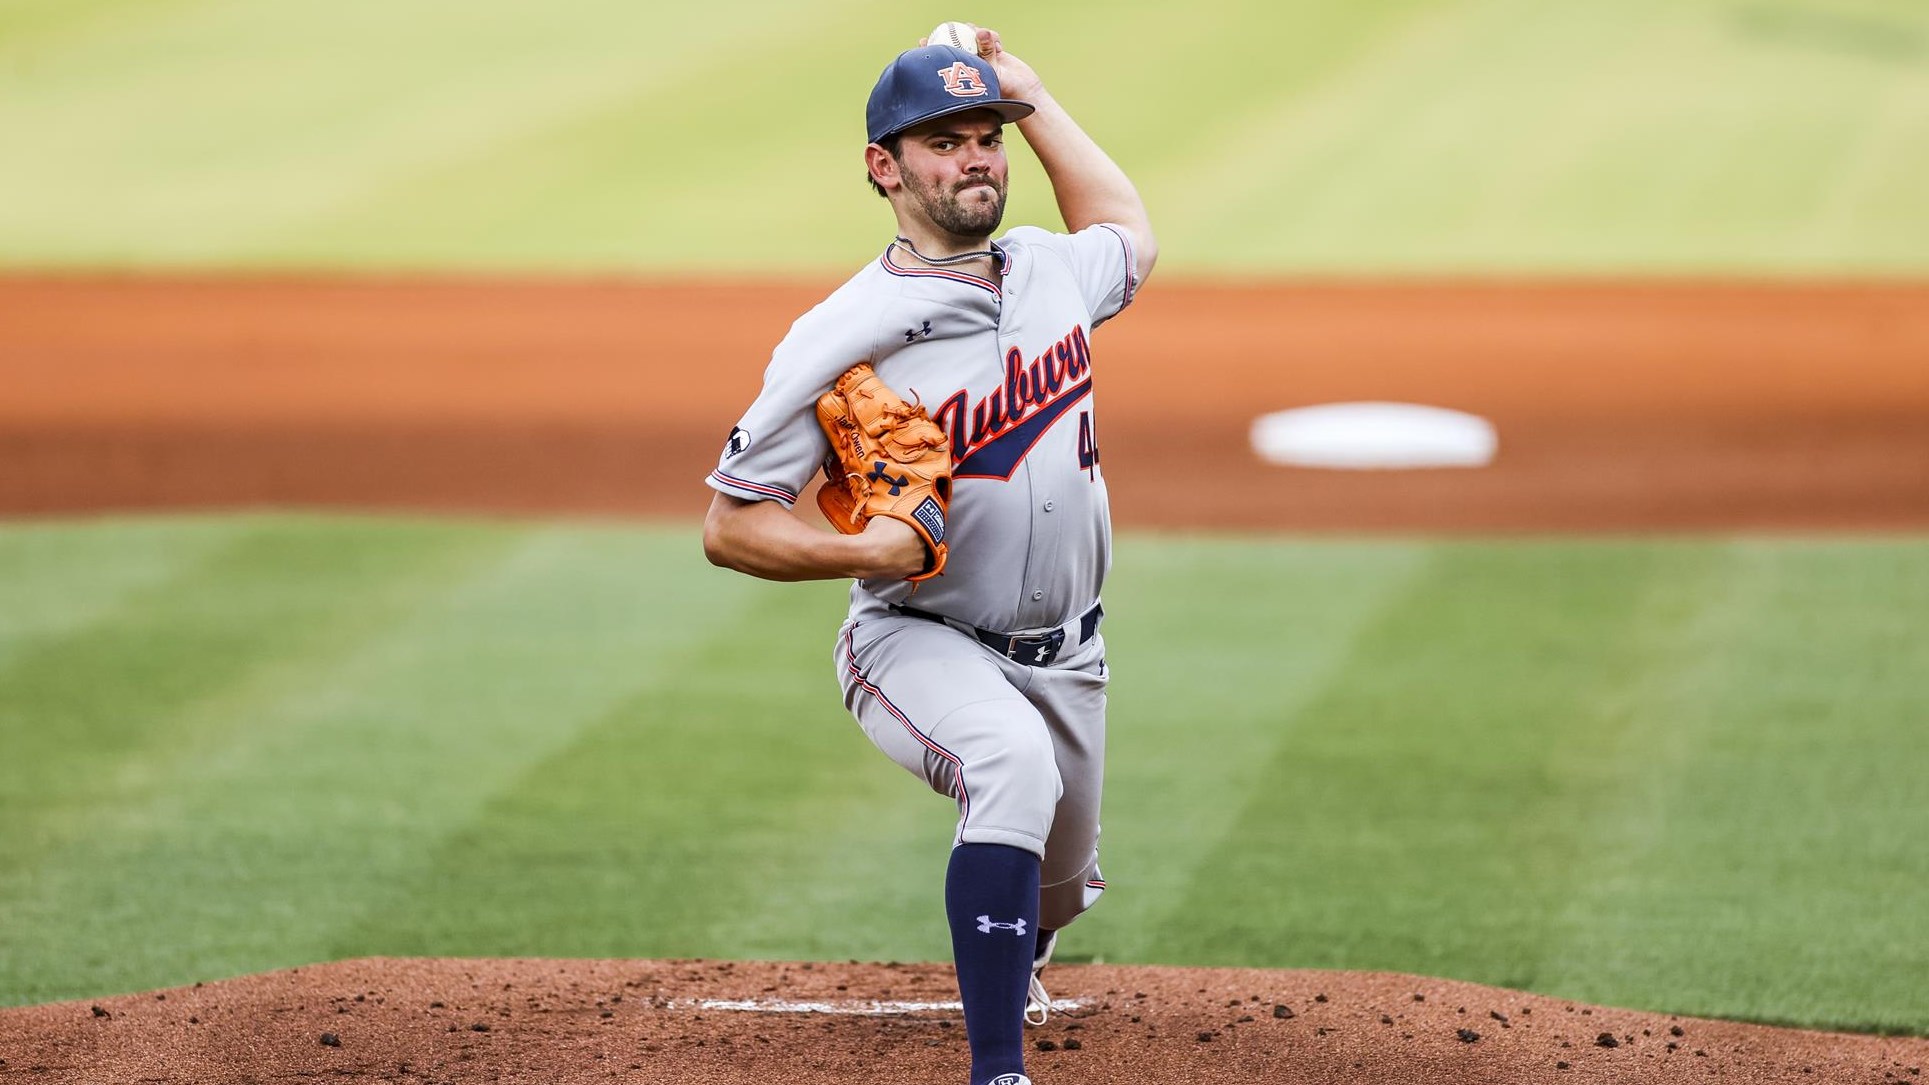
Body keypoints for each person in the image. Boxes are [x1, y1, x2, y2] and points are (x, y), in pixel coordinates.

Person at [702, 25, 1155, 1085]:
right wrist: (864, 547)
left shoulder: (1048, 269)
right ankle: (998, 1069)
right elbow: (729, 523)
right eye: (944, 141)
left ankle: (1026, 942)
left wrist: (1033, 93)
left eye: (986, 135)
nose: (977, 158)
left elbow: (1128, 234)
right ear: (885, 167)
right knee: (1009, 763)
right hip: (920, 635)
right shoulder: (845, 331)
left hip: (1072, 653)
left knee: (1057, 882)